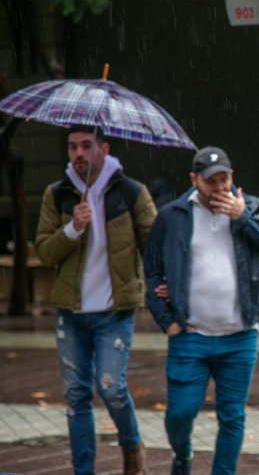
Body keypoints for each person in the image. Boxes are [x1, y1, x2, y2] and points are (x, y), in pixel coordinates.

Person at [144, 146, 259, 475]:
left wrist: (243, 218)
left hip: (239, 337)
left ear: (232, 176)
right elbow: (152, 270)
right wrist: (167, 321)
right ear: (194, 179)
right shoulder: (172, 216)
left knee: (232, 416)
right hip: (189, 335)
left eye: (224, 179)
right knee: (180, 413)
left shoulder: (251, 207)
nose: (219, 188)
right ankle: (182, 454)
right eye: (211, 181)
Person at [35, 124, 156, 475]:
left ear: (104, 148)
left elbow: (156, 245)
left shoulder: (131, 192)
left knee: (111, 387)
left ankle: (132, 446)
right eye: (73, 147)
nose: (79, 154)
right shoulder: (57, 194)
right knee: (76, 396)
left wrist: (162, 285)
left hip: (113, 312)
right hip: (71, 313)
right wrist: (73, 228)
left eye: (87, 145)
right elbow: (44, 252)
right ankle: (83, 471)